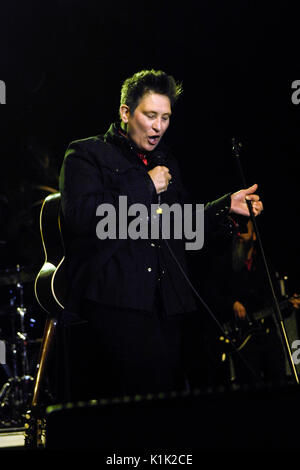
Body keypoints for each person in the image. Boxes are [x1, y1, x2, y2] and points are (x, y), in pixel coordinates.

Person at [58, 69, 263, 400]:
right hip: (115, 306)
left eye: (165, 117)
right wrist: (145, 184)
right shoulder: (85, 155)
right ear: (126, 112)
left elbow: (179, 225)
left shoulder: (166, 161)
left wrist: (226, 206)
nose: (158, 126)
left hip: (167, 307)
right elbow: (82, 218)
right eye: (150, 115)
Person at [205, 219, 300, 386]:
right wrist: (232, 304)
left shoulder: (264, 263)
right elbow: (212, 296)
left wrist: (289, 306)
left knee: (278, 380)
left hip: (268, 334)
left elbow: (276, 303)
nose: (240, 234)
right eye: (237, 230)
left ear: (254, 236)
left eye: (244, 230)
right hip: (243, 340)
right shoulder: (224, 263)